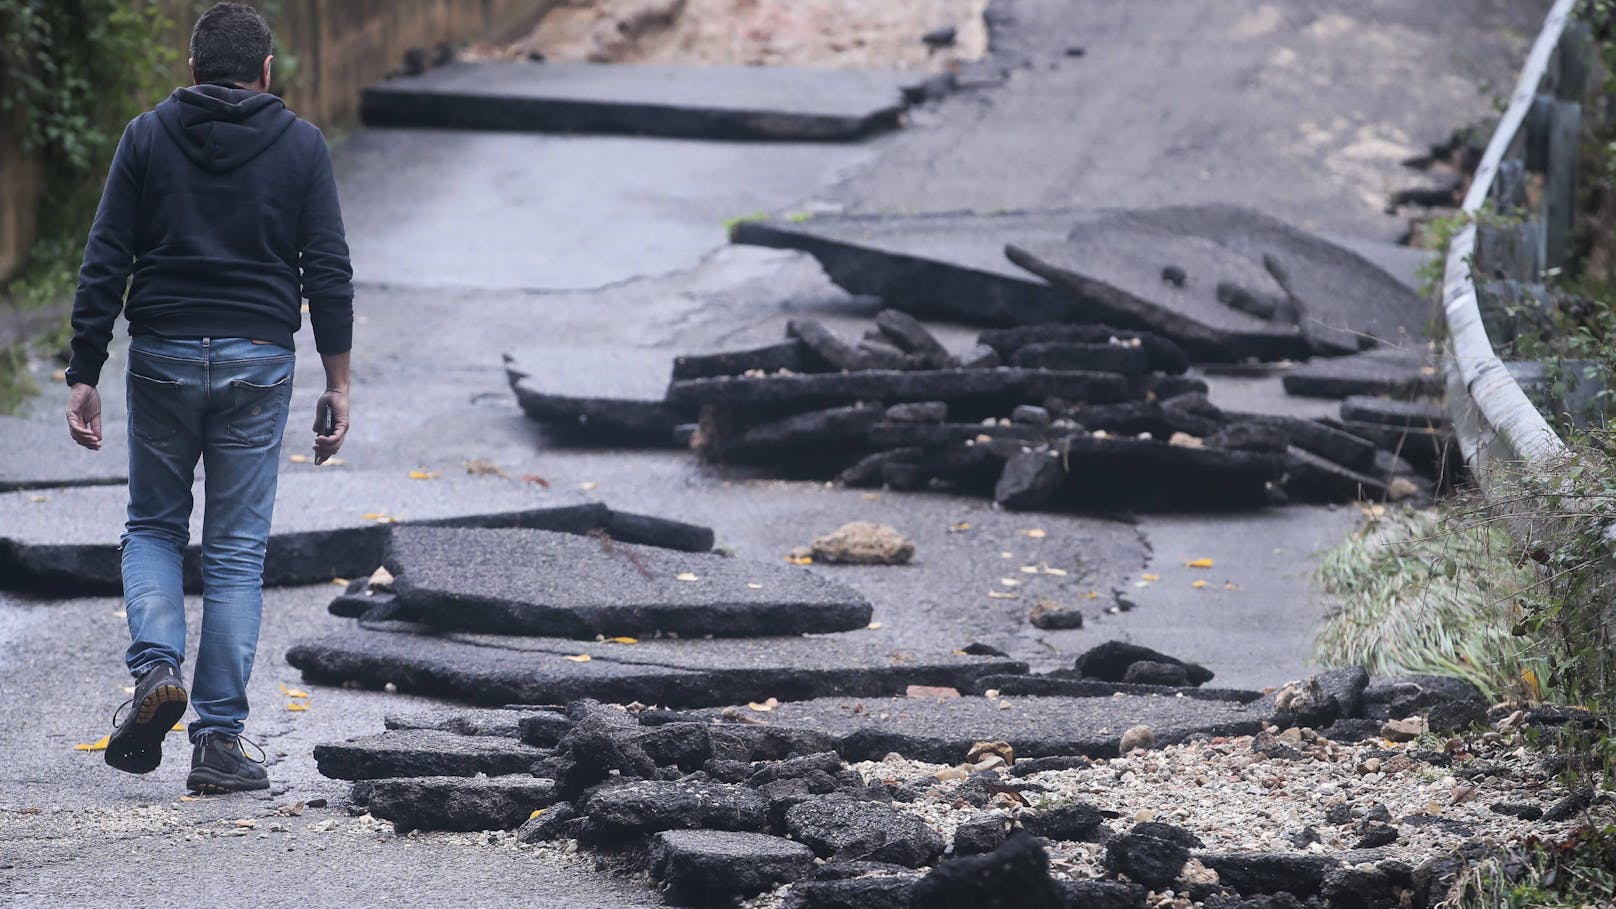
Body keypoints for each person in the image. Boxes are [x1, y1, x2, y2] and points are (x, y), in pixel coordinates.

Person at [63, 2, 353, 793]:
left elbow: (105, 257)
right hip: (260, 358)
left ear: (191, 70)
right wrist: (338, 379)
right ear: (266, 72)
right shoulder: (301, 145)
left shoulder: (147, 135)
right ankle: (219, 743)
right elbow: (327, 268)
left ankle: (157, 665)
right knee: (235, 552)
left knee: (154, 524)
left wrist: (83, 368)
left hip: (161, 354)